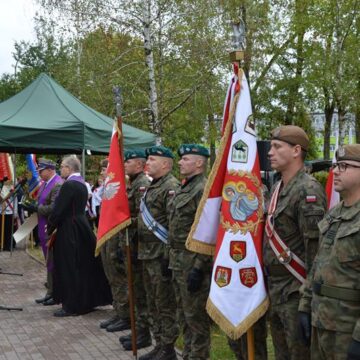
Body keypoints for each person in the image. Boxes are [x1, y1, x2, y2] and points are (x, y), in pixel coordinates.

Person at [263, 125, 327, 360]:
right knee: (282, 353)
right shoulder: (278, 187)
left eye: (277, 146)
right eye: (271, 146)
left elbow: (317, 253)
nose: (270, 152)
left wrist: (308, 301)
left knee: (299, 354)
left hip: (296, 289)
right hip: (276, 286)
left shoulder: (308, 190)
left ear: (296, 151)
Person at [298, 144, 360, 360]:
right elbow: (318, 264)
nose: (335, 172)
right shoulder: (334, 214)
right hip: (321, 322)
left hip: (348, 328)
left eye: (344, 166)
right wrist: (305, 307)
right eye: (336, 166)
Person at [48, 156, 112, 317]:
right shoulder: (82, 184)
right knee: (83, 265)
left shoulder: (69, 185)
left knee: (69, 266)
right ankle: (85, 301)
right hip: (81, 226)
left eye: (62, 166)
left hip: (69, 228)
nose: (60, 169)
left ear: (69, 168)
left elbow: (59, 209)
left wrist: (50, 226)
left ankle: (71, 305)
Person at [167, 144, 212, 360]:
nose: (179, 162)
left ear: (199, 163)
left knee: (197, 322)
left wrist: (198, 267)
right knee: (183, 316)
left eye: (185, 159)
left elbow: (208, 231)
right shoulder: (185, 187)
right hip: (178, 262)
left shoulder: (203, 189)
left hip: (194, 264)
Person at [137, 145, 180, 360]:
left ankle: (168, 348)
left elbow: (173, 226)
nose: (148, 163)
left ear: (165, 164)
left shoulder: (171, 187)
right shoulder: (153, 187)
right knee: (152, 301)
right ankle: (159, 343)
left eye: (152, 159)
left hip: (160, 255)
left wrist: (167, 256)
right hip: (147, 254)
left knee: (164, 304)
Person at [119, 149, 152, 351]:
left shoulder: (142, 185)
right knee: (136, 291)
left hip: (140, 246)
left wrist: (123, 222)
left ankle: (143, 333)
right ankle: (139, 330)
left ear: (139, 165)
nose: (124, 164)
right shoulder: (134, 183)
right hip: (132, 244)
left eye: (128, 162)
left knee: (141, 293)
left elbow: (143, 218)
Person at [98, 157, 130, 332]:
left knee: (119, 279)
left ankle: (125, 315)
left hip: (118, 238)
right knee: (112, 277)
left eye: (105, 169)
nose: (103, 173)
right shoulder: (107, 187)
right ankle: (119, 312)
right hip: (108, 237)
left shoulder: (124, 186)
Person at [28, 158, 63, 306]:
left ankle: (55, 293)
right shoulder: (44, 184)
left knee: (53, 260)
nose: (39, 174)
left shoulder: (57, 184)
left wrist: (37, 209)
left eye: (41, 171)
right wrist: (31, 205)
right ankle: (50, 291)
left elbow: (55, 207)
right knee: (49, 260)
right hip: (43, 225)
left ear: (49, 170)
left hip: (51, 227)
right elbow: (42, 202)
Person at [0, 178, 18, 251]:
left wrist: (15, 213)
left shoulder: (13, 192)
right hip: (1, 212)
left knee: (9, 231)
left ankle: (8, 245)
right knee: (1, 230)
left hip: (10, 213)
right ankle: (2, 244)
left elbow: (15, 203)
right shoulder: (1, 191)